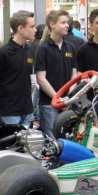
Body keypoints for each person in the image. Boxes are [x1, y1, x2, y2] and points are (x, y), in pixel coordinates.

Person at [34, 10, 77, 139]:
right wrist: (58, 100)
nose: (67, 25)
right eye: (63, 22)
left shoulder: (71, 47)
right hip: (49, 104)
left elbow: (74, 75)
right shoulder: (43, 48)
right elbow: (41, 79)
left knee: (68, 140)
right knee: (52, 142)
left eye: (67, 22)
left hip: (68, 103)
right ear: (52, 24)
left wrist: (68, 98)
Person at [0, 10, 36, 125]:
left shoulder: (30, 50)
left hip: (28, 110)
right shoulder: (3, 53)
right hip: (9, 113)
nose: (35, 30)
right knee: (11, 142)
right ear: (21, 29)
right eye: (32, 26)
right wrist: (3, 104)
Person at [28, 24, 46, 121]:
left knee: (35, 93)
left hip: (33, 72)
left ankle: (34, 112)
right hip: (37, 73)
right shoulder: (41, 45)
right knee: (37, 93)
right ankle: (35, 112)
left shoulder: (31, 44)